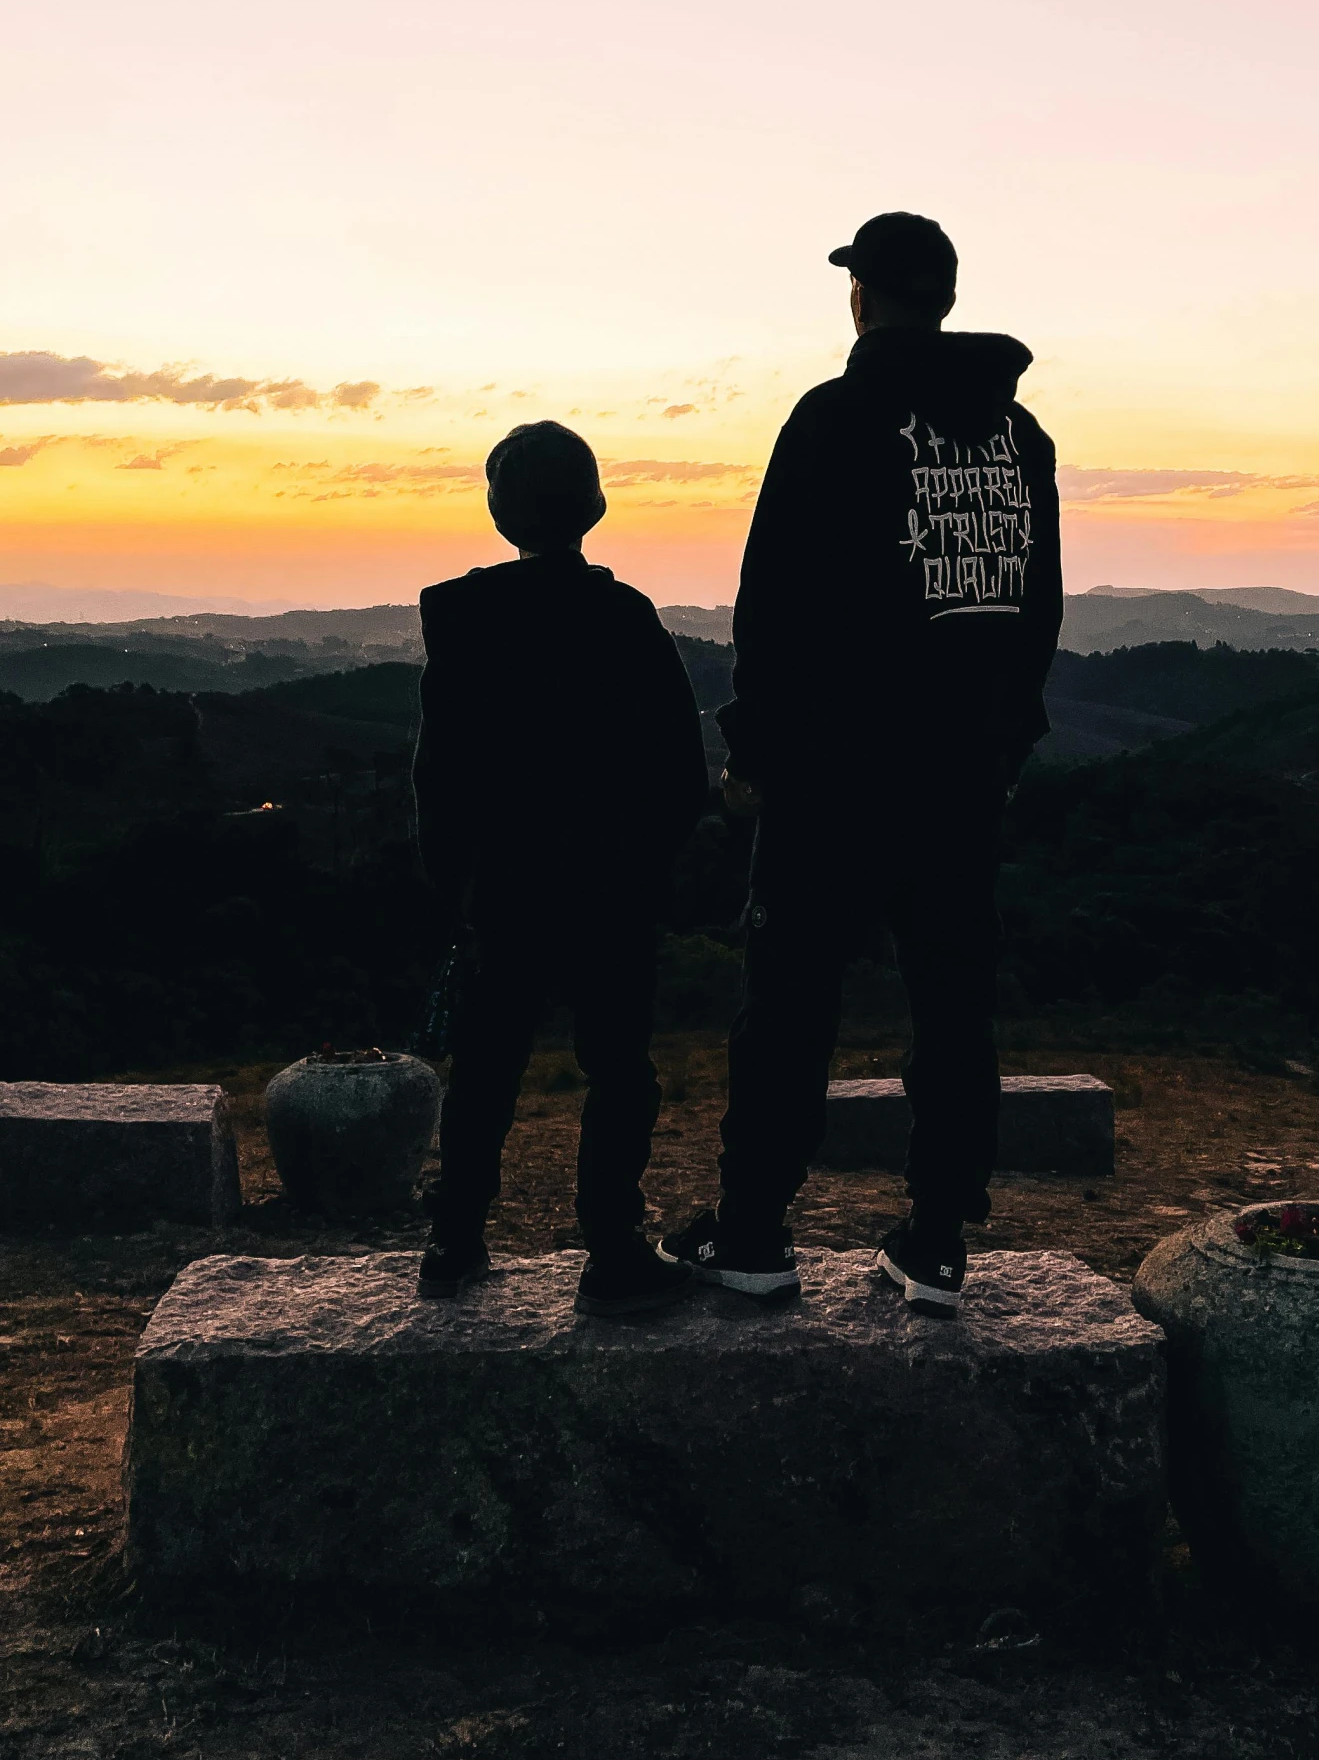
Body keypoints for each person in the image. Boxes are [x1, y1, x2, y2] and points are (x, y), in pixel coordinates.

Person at [662, 212, 1062, 1314]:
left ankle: (752, 1235)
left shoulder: (834, 419)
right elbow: (1035, 609)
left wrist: (752, 751)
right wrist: (1008, 743)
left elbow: (773, 602)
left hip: (834, 774)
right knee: (953, 1003)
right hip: (963, 781)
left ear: (862, 295)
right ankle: (936, 1242)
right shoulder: (1022, 442)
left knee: (789, 1002)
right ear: (942, 294)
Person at [412, 419, 709, 1315]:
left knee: (487, 1065)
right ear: (594, 507)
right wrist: (651, 864)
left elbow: (440, 774)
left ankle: (454, 1240)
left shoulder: (460, 619)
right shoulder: (625, 619)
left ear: (501, 512)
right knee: (621, 1071)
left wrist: (451, 886)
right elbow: (679, 769)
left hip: (503, 887)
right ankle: (613, 1250)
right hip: (613, 888)